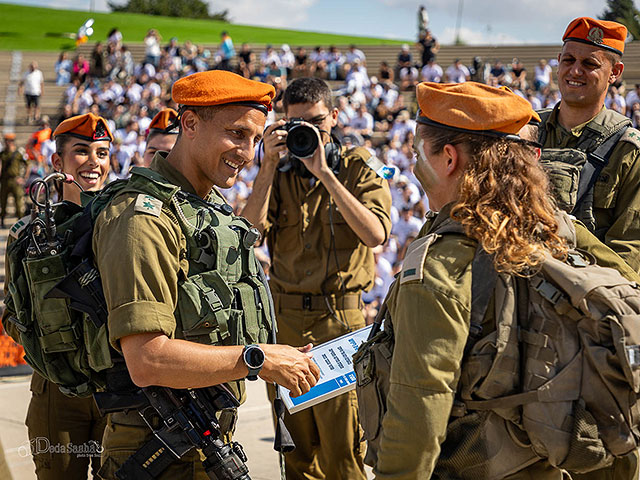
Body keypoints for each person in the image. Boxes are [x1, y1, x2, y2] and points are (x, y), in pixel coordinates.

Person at [92, 70, 320, 479]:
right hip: (157, 450)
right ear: (191, 124)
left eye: (254, 138)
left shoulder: (204, 205)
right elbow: (146, 358)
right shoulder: (144, 217)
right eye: (236, 134)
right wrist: (259, 359)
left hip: (204, 440)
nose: (247, 152)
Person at [366, 81, 573, 479]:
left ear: (448, 158)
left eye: (417, 152)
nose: (412, 165)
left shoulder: (438, 266)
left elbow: (418, 421)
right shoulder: (556, 232)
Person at [242, 77, 392, 480]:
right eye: (296, 125)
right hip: (286, 319)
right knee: (295, 451)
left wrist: (325, 173)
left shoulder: (358, 165)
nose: (307, 133)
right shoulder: (279, 171)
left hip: (340, 322)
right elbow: (249, 236)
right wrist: (268, 167)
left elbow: (376, 233)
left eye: (316, 123)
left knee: (344, 453)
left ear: (335, 118)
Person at [537, 17, 640, 480]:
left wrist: (565, 233)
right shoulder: (523, 136)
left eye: (590, 63)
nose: (574, 71)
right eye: (568, 60)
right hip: (523, 336)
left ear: (615, 73)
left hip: (594, 346)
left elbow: (630, 266)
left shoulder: (629, 152)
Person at [2, 113, 113, 480]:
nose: (94, 162)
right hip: (56, 390)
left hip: (121, 389)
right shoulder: (28, 236)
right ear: (56, 162)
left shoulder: (128, 224)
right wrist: (50, 344)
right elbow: (11, 315)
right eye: (81, 152)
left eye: (102, 152)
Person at [0, 133, 26, 227]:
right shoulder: (2, 153)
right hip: (4, 181)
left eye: (9, 141)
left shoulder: (18, 153)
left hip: (15, 181)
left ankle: (21, 223)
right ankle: (2, 221)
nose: (7, 143)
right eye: (5, 140)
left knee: (19, 203)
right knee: (3, 203)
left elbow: (28, 164)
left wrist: (23, 178)